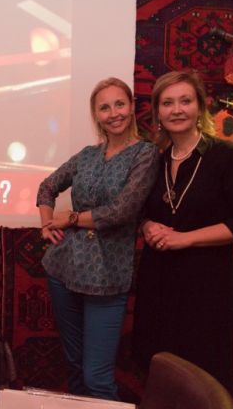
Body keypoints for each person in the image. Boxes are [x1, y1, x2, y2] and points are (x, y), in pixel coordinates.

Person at [132, 70, 233, 390]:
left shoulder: (226, 157)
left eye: (185, 101)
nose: (177, 110)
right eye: (167, 103)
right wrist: (147, 225)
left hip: (205, 288)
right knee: (158, 376)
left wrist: (184, 239)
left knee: (201, 381)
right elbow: (140, 212)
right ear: (157, 112)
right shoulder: (154, 161)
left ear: (200, 107)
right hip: (158, 284)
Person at [36, 77, 160, 400]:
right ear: (96, 116)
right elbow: (47, 186)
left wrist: (71, 218)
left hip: (107, 278)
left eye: (119, 104)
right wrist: (47, 222)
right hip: (62, 270)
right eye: (104, 108)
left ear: (132, 107)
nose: (113, 113)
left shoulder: (145, 154)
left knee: (97, 377)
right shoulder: (87, 155)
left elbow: (121, 212)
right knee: (74, 366)